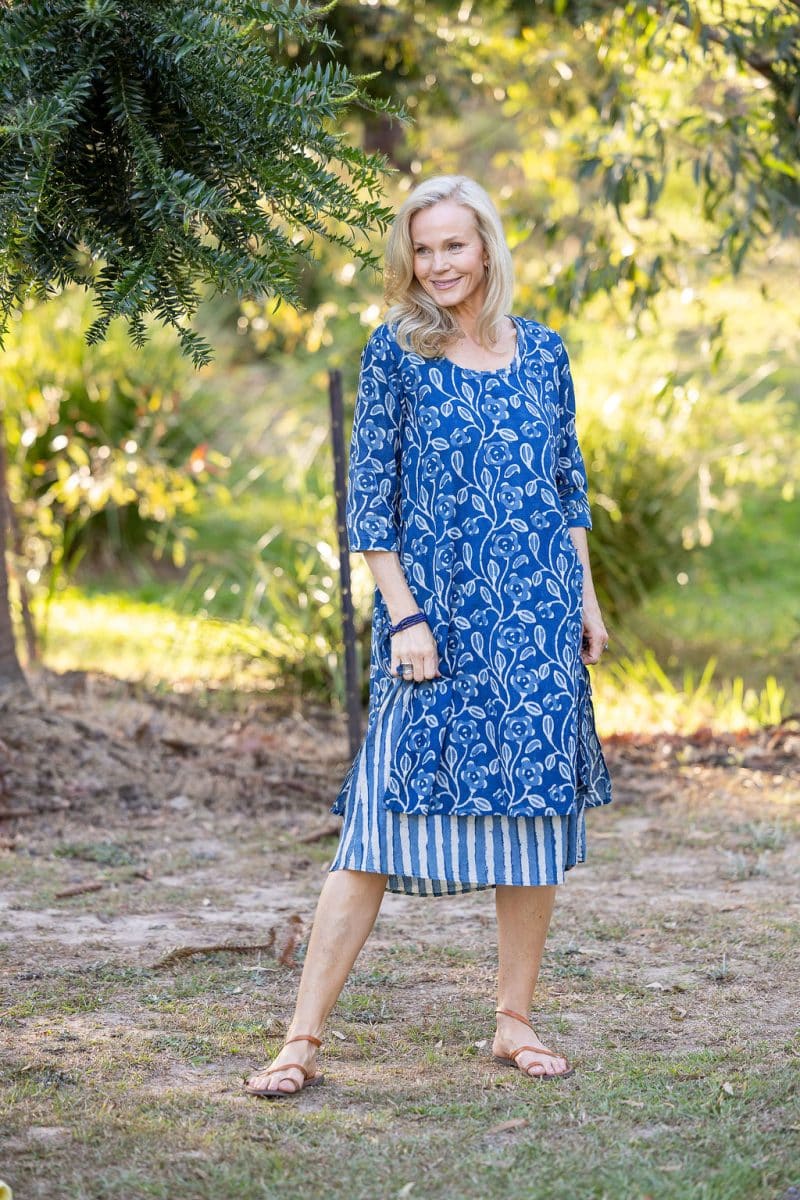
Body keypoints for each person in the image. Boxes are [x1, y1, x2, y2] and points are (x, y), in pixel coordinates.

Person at [245, 174, 613, 1099]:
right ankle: (300, 1040)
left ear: (486, 247)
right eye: (424, 247)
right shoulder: (397, 353)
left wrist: (587, 599)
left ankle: (513, 1021)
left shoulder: (544, 353)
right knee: (371, 831)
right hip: (435, 624)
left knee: (532, 819)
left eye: (455, 244)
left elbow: (567, 489)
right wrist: (404, 614)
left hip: (533, 622)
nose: (439, 263)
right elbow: (369, 505)